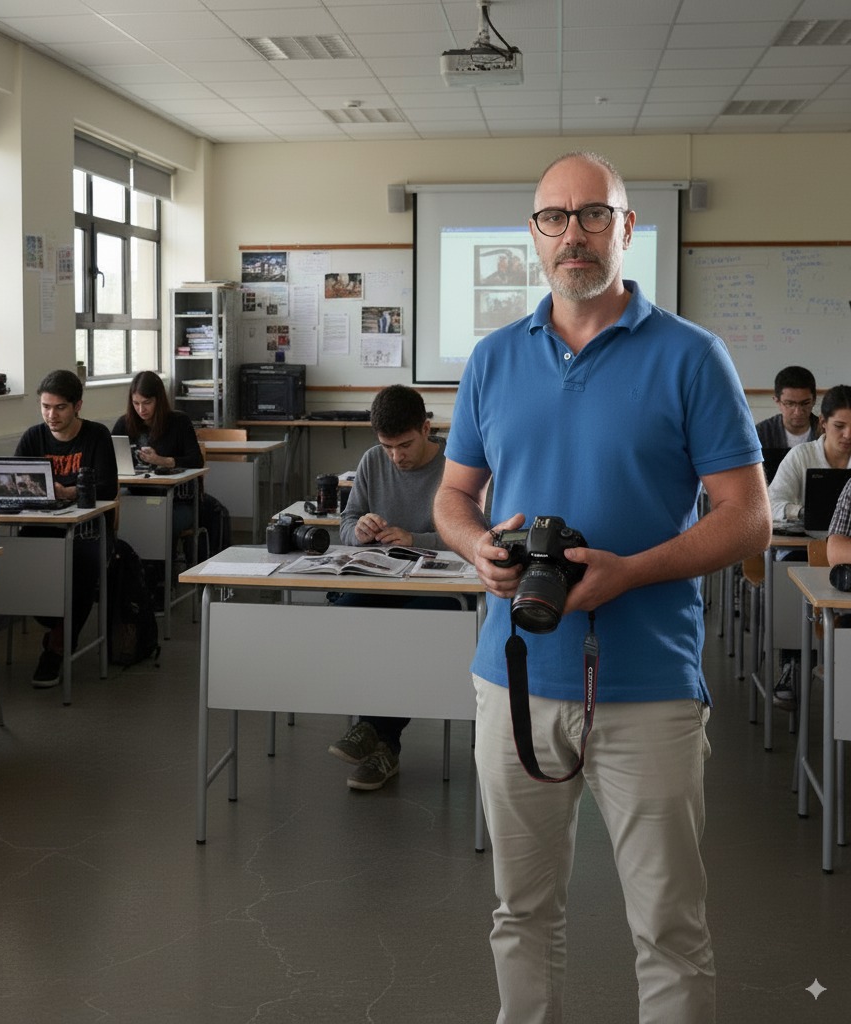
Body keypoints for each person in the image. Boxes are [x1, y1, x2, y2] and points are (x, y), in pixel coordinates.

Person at [433, 151, 770, 1023]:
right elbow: (454, 496)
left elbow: (748, 519)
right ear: (533, 234)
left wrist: (631, 572)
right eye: (555, 217)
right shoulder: (493, 358)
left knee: (668, 927)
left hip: (650, 686)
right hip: (515, 679)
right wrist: (477, 548)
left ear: (625, 228)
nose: (572, 234)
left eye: (592, 215)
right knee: (521, 912)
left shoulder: (692, 356)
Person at [328, 384, 454, 791]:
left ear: (426, 429)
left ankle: (376, 732)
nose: (396, 457)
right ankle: (381, 741)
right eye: (387, 447)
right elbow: (346, 522)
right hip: (384, 577)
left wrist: (417, 540)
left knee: (407, 628)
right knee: (346, 611)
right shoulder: (372, 461)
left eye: (405, 445)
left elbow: (476, 533)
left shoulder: (456, 464)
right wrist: (359, 530)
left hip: (441, 588)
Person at [15, 369, 117, 686]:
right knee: (21, 557)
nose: (51, 415)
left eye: (60, 407)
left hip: (90, 530)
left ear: (77, 406)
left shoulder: (96, 435)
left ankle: (58, 644)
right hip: (44, 526)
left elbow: (107, 487)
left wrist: (67, 492)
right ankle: (57, 624)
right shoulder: (33, 437)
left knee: (82, 562)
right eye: (45, 407)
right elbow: (16, 482)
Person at [112, 370, 206, 577]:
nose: (141, 409)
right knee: (120, 520)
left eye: (147, 403)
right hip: (137, 496)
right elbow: (110, 460)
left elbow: (196, 460)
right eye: (136, 403)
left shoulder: (179, 422)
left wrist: (162, 461)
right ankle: (130, 578)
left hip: (178, 501)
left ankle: (160, 579)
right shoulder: (124, 424)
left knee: (160, 522)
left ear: (159, 400)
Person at [766, 384, 851, 522]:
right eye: (839, 426)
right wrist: (802, 512)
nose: (848, 435)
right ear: (823, 422)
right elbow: (770, 504)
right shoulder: (800, 456)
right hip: (806, 534)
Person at [755, 365, 819, 451]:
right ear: (777, 401)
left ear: (814, 400)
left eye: (805, 403)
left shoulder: (827, 431)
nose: (798, 412)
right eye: (790, 404)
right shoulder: (760, 433)